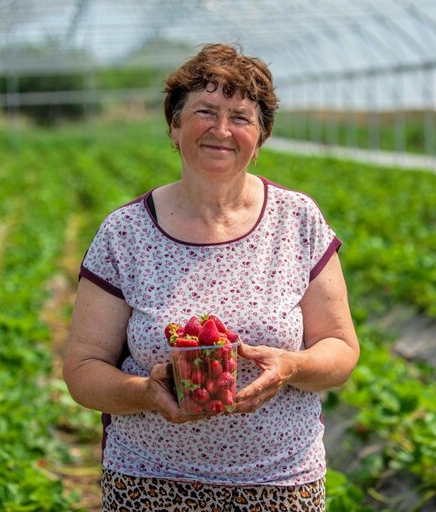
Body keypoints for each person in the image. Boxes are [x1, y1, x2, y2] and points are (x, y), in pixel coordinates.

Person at [63, 43, 359, 511]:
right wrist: (145, 392)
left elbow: (341, 350)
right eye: (205, 111)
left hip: (280, 482)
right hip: (151, 481)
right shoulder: (125, 232)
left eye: (240, 117)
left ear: (259, 138)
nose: (221, 130)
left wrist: (292, 367)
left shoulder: (298, 220)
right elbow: (82, 372)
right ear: (175, 127)